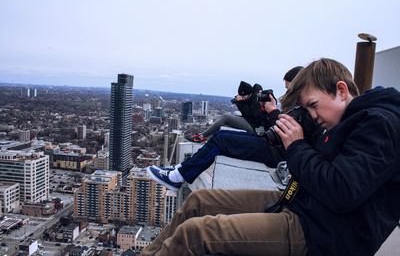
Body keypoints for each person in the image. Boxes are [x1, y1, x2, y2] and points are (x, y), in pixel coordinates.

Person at [142, 58, 400, 256]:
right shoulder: (344, 121)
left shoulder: (378, 124)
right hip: (302, 205)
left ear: (341, 91)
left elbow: (342, 191)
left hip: (323, 233)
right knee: (199, 201)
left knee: (196, 234)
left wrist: (297, 145)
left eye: (312, 104)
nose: (310, 114)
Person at [147, 67, 304, 192]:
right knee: (221, 134)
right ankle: (179, 169)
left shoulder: (303, 110)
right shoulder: (298, 107)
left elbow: (282, 130)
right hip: (270, 143)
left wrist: (272, 111)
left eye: (289, 88)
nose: (287, 92)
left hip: (275, 152)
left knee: (221, 140)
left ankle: (176, 177)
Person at [186, 81, 266, 143]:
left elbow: (250, 114)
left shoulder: (256, 100)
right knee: (224, 125)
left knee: (226, 117)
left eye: (243, 96)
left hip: (254, 128)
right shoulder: (253, 96)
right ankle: (207, 139)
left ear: (249, 94)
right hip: (251, 123)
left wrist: (240, 103)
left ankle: (202, 137)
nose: (243, 98)